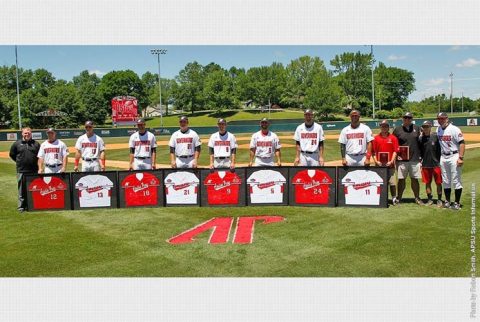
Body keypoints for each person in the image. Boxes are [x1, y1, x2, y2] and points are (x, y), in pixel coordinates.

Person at [436, 112, 466, 210]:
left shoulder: (454, 129)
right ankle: (447, 201)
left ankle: (457, 203)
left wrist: (460, 158)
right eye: (439, 119)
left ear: (447, 119)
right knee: (445, 180)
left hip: (454, 156)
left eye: (442, 118)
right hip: (443, 157)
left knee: (456, 180)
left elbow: (462, 143)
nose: (440, 120)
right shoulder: (438, 129)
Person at [392, 112, 423, 205]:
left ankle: (417, 198)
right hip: (402, 160)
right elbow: (394, 144)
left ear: (411, 119)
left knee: (415, 179)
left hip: (414, 158)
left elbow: (421, 143)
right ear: (402, 118)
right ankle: (399, 197)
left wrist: (421, 157)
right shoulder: (397, 130)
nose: (407, 119)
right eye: (405, 117)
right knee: (401, 179)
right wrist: (396, 157)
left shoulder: (417, 129)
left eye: (409, 118)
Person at [9, 127, 40, 212]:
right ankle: (21, 207)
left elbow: (39, 156)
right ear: (22, 134)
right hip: (22, 170)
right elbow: (12, 154)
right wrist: (19, 162)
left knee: (34, 189)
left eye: (29, 133)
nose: (27, 134)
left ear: (31, 134)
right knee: (21, 190)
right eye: (25, 133)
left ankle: (33, 205)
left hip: (34, 170)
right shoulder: (17, 144)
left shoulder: (36, 144)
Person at [371, 120, 399, 205]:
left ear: (388, 127)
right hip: (379, 165)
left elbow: (395, 151)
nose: (384, 128)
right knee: (380, 182)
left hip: (390, 165)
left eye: (386, 126)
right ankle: (381, 199)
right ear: (380, 127)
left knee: (392, 183)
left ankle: (394, 198)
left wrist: (391, 161)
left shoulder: (393, 138)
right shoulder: (376, 138)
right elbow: (373, 152)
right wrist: (376, 161)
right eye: (382, 126)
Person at [418, 121, 443, 207]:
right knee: (427, 183)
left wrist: (439, 162)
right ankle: (430, 199)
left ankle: (439, 200)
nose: (425, 128)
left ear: (430, 127)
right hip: (425, 164)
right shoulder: (421, 139)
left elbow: (439, 151)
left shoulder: (435, 136)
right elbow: (420, 151)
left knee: (438, 183)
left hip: (436, 164)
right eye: (424, 127)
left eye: (427, 126)